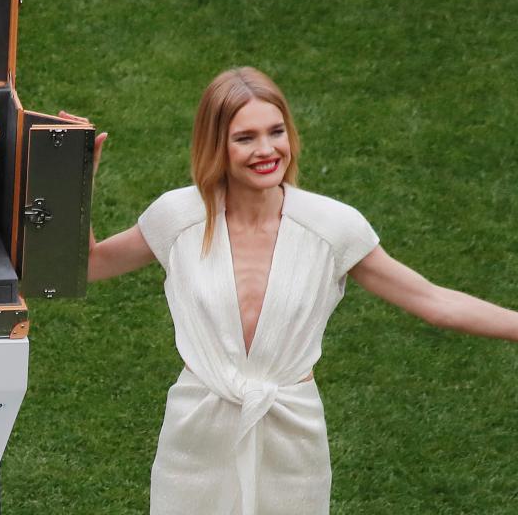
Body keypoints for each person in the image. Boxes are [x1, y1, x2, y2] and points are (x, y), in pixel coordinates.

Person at [82, 67, 518, 515]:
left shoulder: (333, 226)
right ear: (216, 145)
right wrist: (76, 176)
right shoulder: (177, 217)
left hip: (292, 434)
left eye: (276, 131)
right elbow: (90, 265)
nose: (267, 150)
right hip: (197, 433)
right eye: (245, 137)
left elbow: (435, 302)